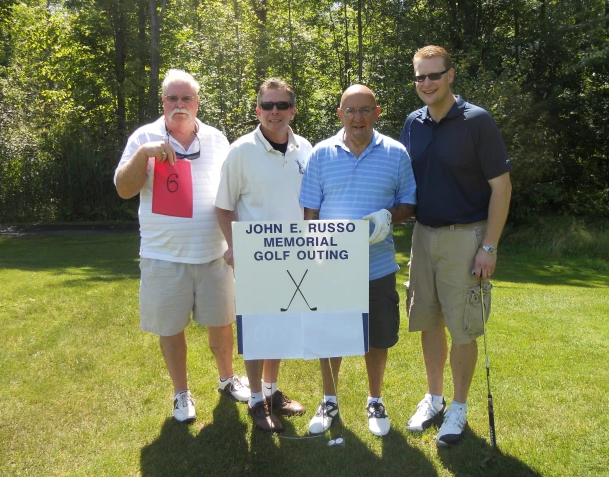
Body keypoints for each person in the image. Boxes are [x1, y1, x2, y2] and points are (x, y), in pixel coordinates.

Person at [114, 69, 249, 423]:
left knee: (222, 324)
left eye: (186, 98)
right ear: (163, 102)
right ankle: (181, 394)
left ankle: (226, 379)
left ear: (197, 102)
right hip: (163, 257)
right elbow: (123, 189)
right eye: (172, 98)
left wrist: (235, 241)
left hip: (214, 255)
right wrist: (144, 155)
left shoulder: (218, 140)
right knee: (171, 330)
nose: (179, 105)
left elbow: (233, 193)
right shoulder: (143, 137)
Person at [400, 45, 513, 446]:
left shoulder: (477, 121)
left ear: (450, 75)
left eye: (434, 75)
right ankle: (434, 399)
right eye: (419, 77)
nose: (426, 83)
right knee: (428, 321)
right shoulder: (412, 123)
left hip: (467, 237)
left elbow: (501, 188)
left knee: (463, 327)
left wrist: (490, 246)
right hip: (422, 236)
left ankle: (460, 409)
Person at [300, 84, 416, 437]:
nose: (358, 117)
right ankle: (329, 400)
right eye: (350, 110)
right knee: (329, 336)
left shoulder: (396, 153)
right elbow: (310, 213)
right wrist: (316, 252)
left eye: (365, 110)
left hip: (377, 266)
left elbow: (409, 204)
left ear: (377, 113)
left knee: (377, 338)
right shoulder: (321, 154)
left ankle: (375, 400)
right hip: (331, 265)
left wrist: (387, 216)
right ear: (340, 114)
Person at [214, 78, 310, 432]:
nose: (274, 112)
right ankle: (255, 399)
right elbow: (223, 207)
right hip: (256, 259)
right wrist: (234, 246)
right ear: (258, 111)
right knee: (257, 331)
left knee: (281, 326)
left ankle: (271, 391)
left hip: (294, 258)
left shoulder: (305, 149)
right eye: (267, 106)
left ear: (292, 110)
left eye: (281, 105)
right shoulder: (241, 151)